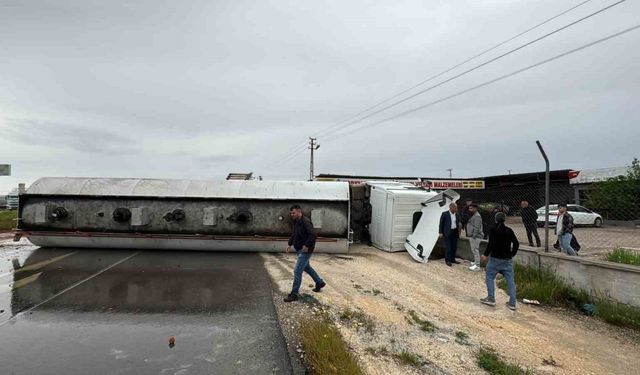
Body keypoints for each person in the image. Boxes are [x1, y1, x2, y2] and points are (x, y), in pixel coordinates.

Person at [284, 204, 326, 302]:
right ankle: (319, 282)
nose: (292, 215)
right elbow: (294, 233)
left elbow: (313, 235)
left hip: (305, 251)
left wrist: (307, 245)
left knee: (297, 271)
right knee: (307, 268)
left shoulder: (306, 222)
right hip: (300, 250)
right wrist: (290, 244)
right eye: (291, 213)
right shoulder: (296, 221)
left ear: (299, 211)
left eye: (293, 213)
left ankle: (294, 294)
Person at [480, 212, 519, 310]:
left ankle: (491, 298)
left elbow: (491, 244)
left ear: (495, 219)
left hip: (495, 259)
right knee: (511, 281)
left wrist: (485, 254)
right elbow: (516, 243)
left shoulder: (493, 230)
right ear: (504, 220)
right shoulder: (509, 230)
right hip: (507, 260)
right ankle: (512, 303)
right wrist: (512, 254)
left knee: (489, 277)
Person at [466, 203, 484, 271]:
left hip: (476, 236)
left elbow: (477, 227)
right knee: (474, 250)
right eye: (469, 208)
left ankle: (477, 265)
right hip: (473, 236)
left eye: (471, 208)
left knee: (475, 250)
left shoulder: (477, 216)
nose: (469, 210)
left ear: (475, 209)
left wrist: (473, 235)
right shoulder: (474, 215)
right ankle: (475, 262)